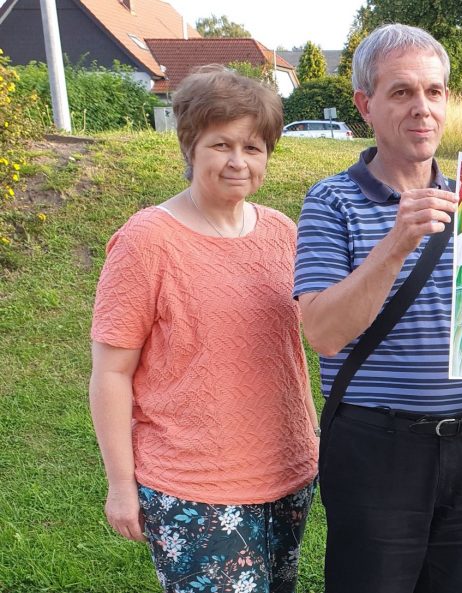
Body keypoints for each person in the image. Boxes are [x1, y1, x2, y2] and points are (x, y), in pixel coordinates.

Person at [88, 66, 319, 593]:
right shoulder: (148, 240)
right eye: (222, 144)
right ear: (190, 145)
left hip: (288, 476)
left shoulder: (282, 232)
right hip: (193, 489)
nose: (238, 161)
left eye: (254, 147)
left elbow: (300, 346)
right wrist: (122, 486)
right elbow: (111, 372)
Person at [293, 24, 462, 593]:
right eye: (402, 92)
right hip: (375, 447)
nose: (422, 109)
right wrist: (397, 242)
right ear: (366, 105)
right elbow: (323, 332)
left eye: (434, 92)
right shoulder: (331, 201)